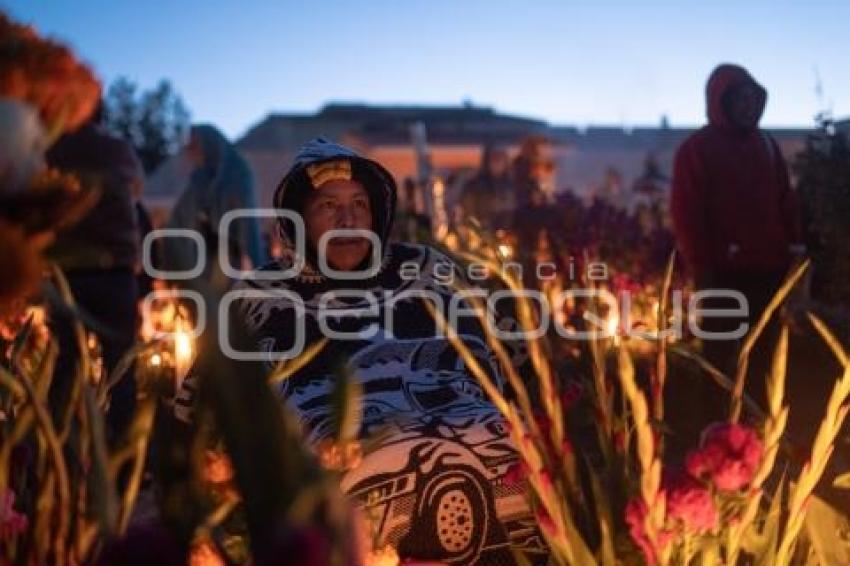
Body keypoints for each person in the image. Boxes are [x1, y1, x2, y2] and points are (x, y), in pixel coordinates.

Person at [181, 138, 546, 564]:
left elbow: (510, 350)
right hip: (335, 460)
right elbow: (199, 404)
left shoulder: (426, 269)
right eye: (328, 207)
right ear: (298, 220)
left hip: (459, 431)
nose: (349, 219)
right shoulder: (258, 295)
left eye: (359, 204)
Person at [670, 64, 803, 412]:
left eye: (751, 98)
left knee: (765, 354)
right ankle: (714, 432)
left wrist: (795, 247)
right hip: (722, 276)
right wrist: (702, 268)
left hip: (769, 272)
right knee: (719, 355)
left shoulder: (767, 145)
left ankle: (757, 429)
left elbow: (785, 201)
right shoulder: (697, 150)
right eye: (739, 99)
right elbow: (687, 214)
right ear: (721, 102)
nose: (747, 106)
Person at [45, 101, 143, 439]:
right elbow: (135, 196)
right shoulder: (119, 150)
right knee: (121, 370)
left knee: (65, 368)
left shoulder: (53, 149)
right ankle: (124, 460)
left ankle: (56, 452)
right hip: (116, 275)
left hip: (68, 276)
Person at [162, 124, 265, 289]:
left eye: (195, 145)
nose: (191, 151)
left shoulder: (237, 174)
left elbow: (247, 225)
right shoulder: (199, 179)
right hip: (200, 259)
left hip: (228, 260)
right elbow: (180, 219)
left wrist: (259, 270)